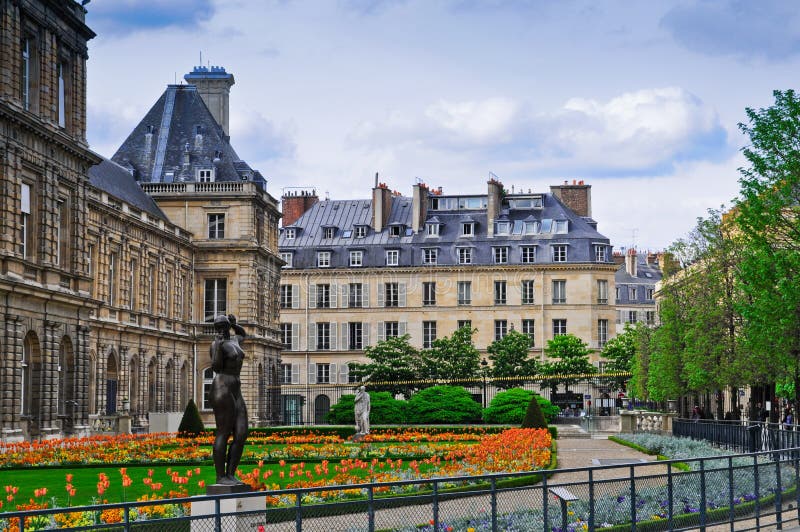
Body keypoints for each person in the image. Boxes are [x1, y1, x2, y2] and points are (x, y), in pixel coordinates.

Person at [210, 314, 248, 486]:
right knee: (223, 432)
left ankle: (231, 474)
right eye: (218, 328)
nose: (220, 331)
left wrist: (235, 324)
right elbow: (216, 367)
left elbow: (243, 334)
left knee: (241, 433)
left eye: (223, 327)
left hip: (236, 388)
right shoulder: (216, 345)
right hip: (222, 386)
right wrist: (217, 346)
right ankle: (221, 477)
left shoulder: (234, 341)